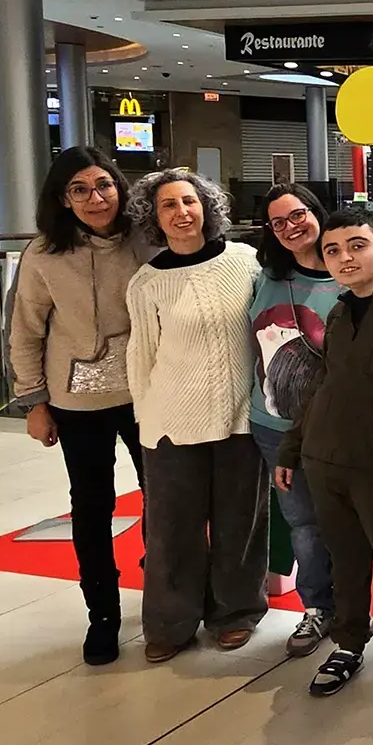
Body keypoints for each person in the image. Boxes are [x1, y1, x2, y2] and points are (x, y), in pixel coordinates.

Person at [277, 208, 373, 705]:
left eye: (357, 245)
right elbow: (327, 382)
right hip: (327, 460)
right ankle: (349, 643)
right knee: (345, 561)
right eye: (333, 250)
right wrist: (293, 444)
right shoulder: (342, 309)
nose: (345, 258)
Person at [9, 146, 147, 666]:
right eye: (80, 189)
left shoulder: (145, 239)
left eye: (104, 185)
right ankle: (103, 614)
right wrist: (34, 402)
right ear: (63, 199)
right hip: (76, 398)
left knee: (165, 496)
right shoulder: (44, 254)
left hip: (146, 392)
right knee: (93, 507)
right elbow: (25, 329)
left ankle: (164, 592)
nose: (97, 198)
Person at [124, 169, 267, 663]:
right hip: (171, 421)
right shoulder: (146, 283)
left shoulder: (246, 263)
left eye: (189, 201)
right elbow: (140, 356)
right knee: (171, 528)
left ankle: (236, 611)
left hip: (240, 417)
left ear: (206, 207)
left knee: (240, 521)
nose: (182, 212)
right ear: (154, 218)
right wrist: (148, 420)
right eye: (168, 205)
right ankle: (169, 621)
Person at [250, 184, 340, 658]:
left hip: (337, 430)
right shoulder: (263, 276)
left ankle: (353, 608)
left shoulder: (350, 275)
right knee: (303, 523)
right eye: (278, 221)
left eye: (298, 215)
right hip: (273, 426)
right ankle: (317, 607)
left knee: (347, 523)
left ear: (317, 213)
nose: (291, 227)